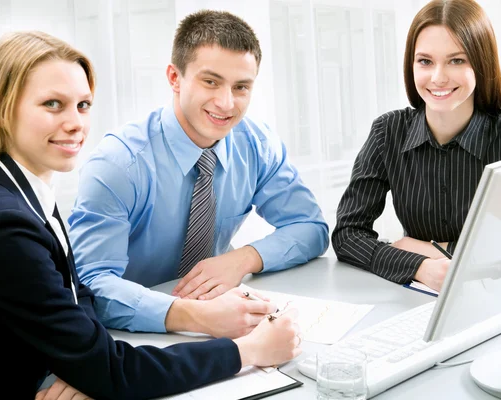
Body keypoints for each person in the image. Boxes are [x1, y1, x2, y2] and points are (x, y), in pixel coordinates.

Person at [0, 31, 301, 400]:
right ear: (3, 109)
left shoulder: (16, 192)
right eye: (53, 104)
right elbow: (117, 370)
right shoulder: (2, 225)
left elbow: (75, 299)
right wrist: (249, 350)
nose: (75, 123)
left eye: (83, 105)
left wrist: (84, 369)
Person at [68, 10, 329, 335]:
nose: (226, 103)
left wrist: (244, 258)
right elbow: (91, 285)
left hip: (218, 322)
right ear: (175, 78)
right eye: (211, 82)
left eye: (241, 87)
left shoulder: (257, 145)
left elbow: (311, 228)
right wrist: (196, 316)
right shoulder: (118, 164)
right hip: (127, 337)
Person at [332, 0, 501, 292]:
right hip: (417, 298)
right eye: (425, 61)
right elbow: (347, 235)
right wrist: (419, 267)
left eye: (457, 60)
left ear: (481, 64)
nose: (438, 77)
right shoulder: (388, 132)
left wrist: (432, 248)